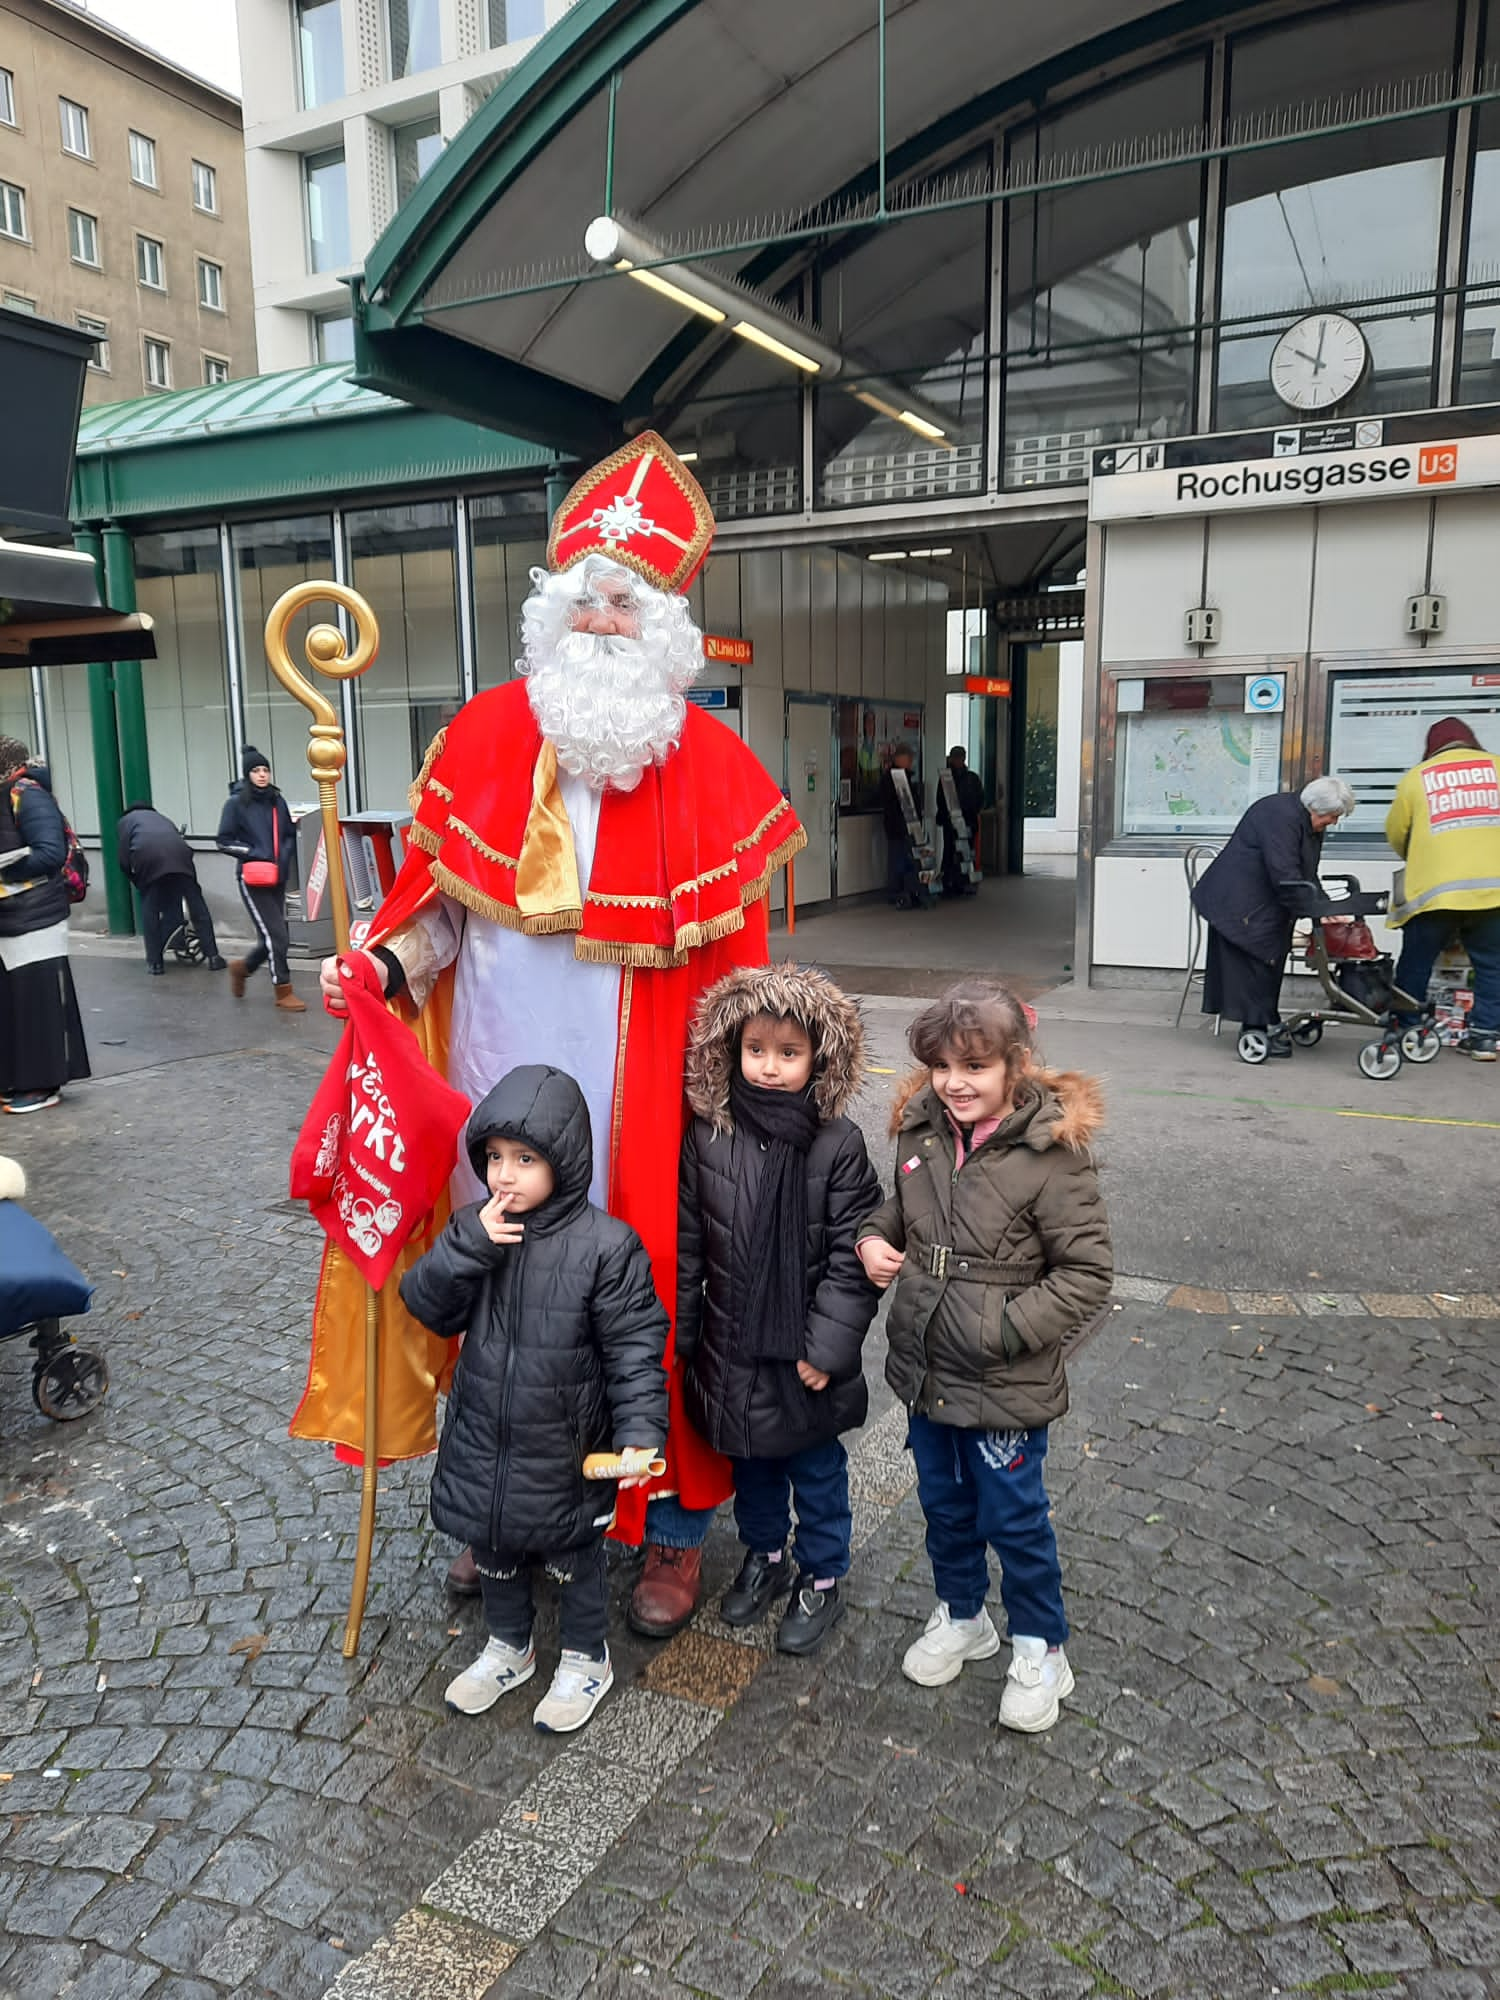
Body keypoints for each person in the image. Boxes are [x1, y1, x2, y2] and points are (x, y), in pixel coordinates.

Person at [297, 434, 804, 1641]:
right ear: (553, 606)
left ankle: (672, 1530)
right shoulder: (477, 740)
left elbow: (747, 991)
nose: (606, 620)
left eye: (631, 602)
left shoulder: (717, 770)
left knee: (659, 1316)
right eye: (589, 597)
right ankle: (499, 1513)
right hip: (498, 1100)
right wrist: (371, 964)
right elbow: (433, 921)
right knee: (505, 1304)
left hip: (653, 1120)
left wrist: (756, 1125)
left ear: (670, 624)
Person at [856, 979, 1112, 1733]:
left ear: (1016, 1065)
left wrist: (1001, 1332)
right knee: (945, 1508)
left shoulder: (1052, 1157)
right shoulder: (920, 1133)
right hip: (926, 1368)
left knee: (1016, 1519)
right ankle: (964, 1616)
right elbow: (896, 1211)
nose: (954, 1083)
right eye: (941, 1067)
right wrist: (875, 1238)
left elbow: (1087, 1276)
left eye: (974, 1067)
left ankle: (1041, 1647)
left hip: (1005, 1378)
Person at [400, 1065, 668, 1732]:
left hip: (564, 1443)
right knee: (493, 1547)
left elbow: (635, 1345)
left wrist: (639, 1432)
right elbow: (427, 1306)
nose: (504, 1176)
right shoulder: (477, 1229)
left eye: (525, 1159)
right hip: (484, 1437)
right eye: (493, 1158)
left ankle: (585, 1657)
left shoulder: (607, 1247)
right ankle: (508, 1646)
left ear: (565, 1160)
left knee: (575, 1558)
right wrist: (466, 1247)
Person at [676, 964, 881, 1656]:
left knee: (815, 1472)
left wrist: (827, 1351)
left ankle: (822, 1573)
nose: (768, 1068)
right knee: (752, 1466)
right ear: (730, 1051)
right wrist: (679, 1337)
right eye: (755, 1051)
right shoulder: (707, 1137)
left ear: (818, 1058)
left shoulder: (837, 1144)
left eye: (788, 1054)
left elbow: (853, 1261)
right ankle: (765, 1554)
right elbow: (688, 1246)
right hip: (731, 1346)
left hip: (803, 1352)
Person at [1191, 776, 1355, 1056]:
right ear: (1314, 808)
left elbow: (1306, 871)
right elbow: (1286, 873)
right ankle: (1255, 1028)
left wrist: (1325, 908)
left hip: (1257, 896)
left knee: (1271, 954)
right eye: (1332, 816)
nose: (1334, 822)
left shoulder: (1306, 819)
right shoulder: (1279, 817)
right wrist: (1316, 910)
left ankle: (1265, 1022)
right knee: (1257, 953)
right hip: (1237, 900)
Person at [1386, 718, 1500, 1062]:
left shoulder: (1416, 778)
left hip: (1434, 892)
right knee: (1493, 965)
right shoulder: (1497, 768)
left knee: (1416, 963)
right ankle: (1483, 1038)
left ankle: (1407, 1028)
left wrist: (1419, 853)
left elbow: (1396, 833)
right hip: (1493, 891)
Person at [0, 735, 90, 1115]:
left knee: (38, 1002)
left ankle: (42, 1084)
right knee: (15, 1003)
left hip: (35, 914)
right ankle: (18, 1079)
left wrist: (7, 863)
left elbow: (49, 853)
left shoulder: (26, 794)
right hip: (12, 914)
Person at [216, 748, 305, 1013]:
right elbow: (223, 841)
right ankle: (283, 990)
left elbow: (289, 834)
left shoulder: (277, 800)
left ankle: (242, 968)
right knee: (276, 936)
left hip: (277, 875)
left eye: (265, 770)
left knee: (277, 935)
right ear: (247, 774)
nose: (262, 775)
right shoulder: (235, 803)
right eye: (256, 771)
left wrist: (282, 858)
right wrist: (254, 854)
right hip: (253, 877)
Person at [116, 802, 226, 975]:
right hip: (181, 857)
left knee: (150, 909)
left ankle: (155, 963)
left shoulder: (125, 821)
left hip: (148, 859)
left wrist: (136, 880)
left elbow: (123, 858)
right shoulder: (163, 818)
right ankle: (213, 957)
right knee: (196, 904)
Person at [877, 745, 923, 907]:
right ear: (900, 758)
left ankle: (908, 890)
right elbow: (890, 804)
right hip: (897, 827)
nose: (911, 762)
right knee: (897, 860)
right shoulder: (891, 779)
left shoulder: (907, 777)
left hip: (908, 826)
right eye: (909, 758)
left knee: (907, 859)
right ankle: (896, 893)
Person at [936, 746, 984, 897]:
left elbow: (980, 799)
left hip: (967, 822)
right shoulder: (946, 778)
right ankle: (950, 882)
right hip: (951, 822)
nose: (957, 761)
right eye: (955, 758)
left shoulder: (971, 778)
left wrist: (969, 813)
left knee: (965, 853)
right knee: (950, 852)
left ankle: (964, 882)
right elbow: (941, 800)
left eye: (959, 758)